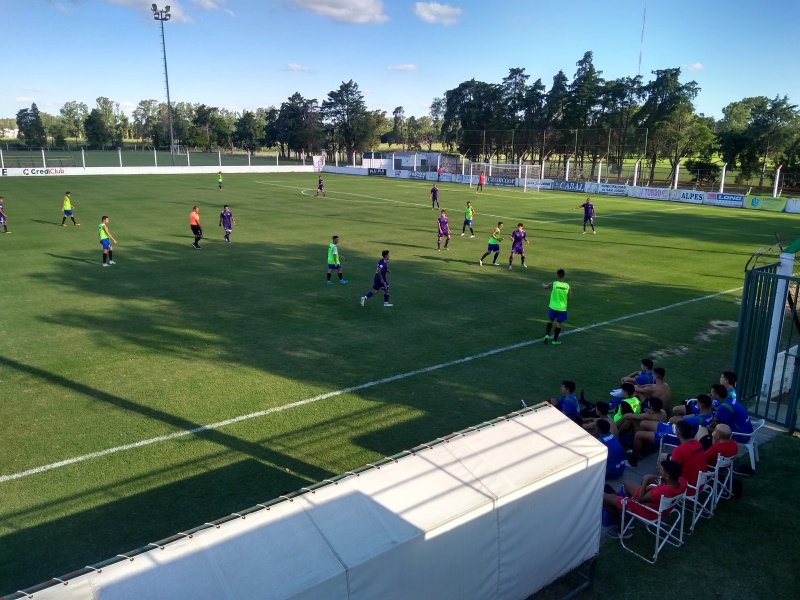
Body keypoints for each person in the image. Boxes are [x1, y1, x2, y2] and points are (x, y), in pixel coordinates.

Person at [602, 459, 686, 538]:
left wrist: (646, 480)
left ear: (667, 476)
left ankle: (621, 530)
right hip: (662, 507)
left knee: (605, 497)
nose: (659, 471)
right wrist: (651, 487)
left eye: (661, 470)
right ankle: (628, 519)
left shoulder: (659, 492)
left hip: (647, 510)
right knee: (627, 483)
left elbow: (640, 499)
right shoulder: (682, 482)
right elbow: (658, 491)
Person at [664, 420, 707, 491]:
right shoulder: (698, 443)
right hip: (700, 484)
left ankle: (660, 483)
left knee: (664, 463)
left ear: (677, 434)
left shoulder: (678, 451)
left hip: (687, 487)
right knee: (664, 456)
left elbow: (672, 472)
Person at [542, 269, 571, 345]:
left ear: (557, 275)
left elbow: (545, 287)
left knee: (550, 320)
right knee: (558, 323)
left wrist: (543, 285)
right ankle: (554, 341)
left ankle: (547, 335)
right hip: (562, 308)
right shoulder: (568, 286)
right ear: (564, 275)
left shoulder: (553, 284)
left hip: (553, 306)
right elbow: (570, 298)